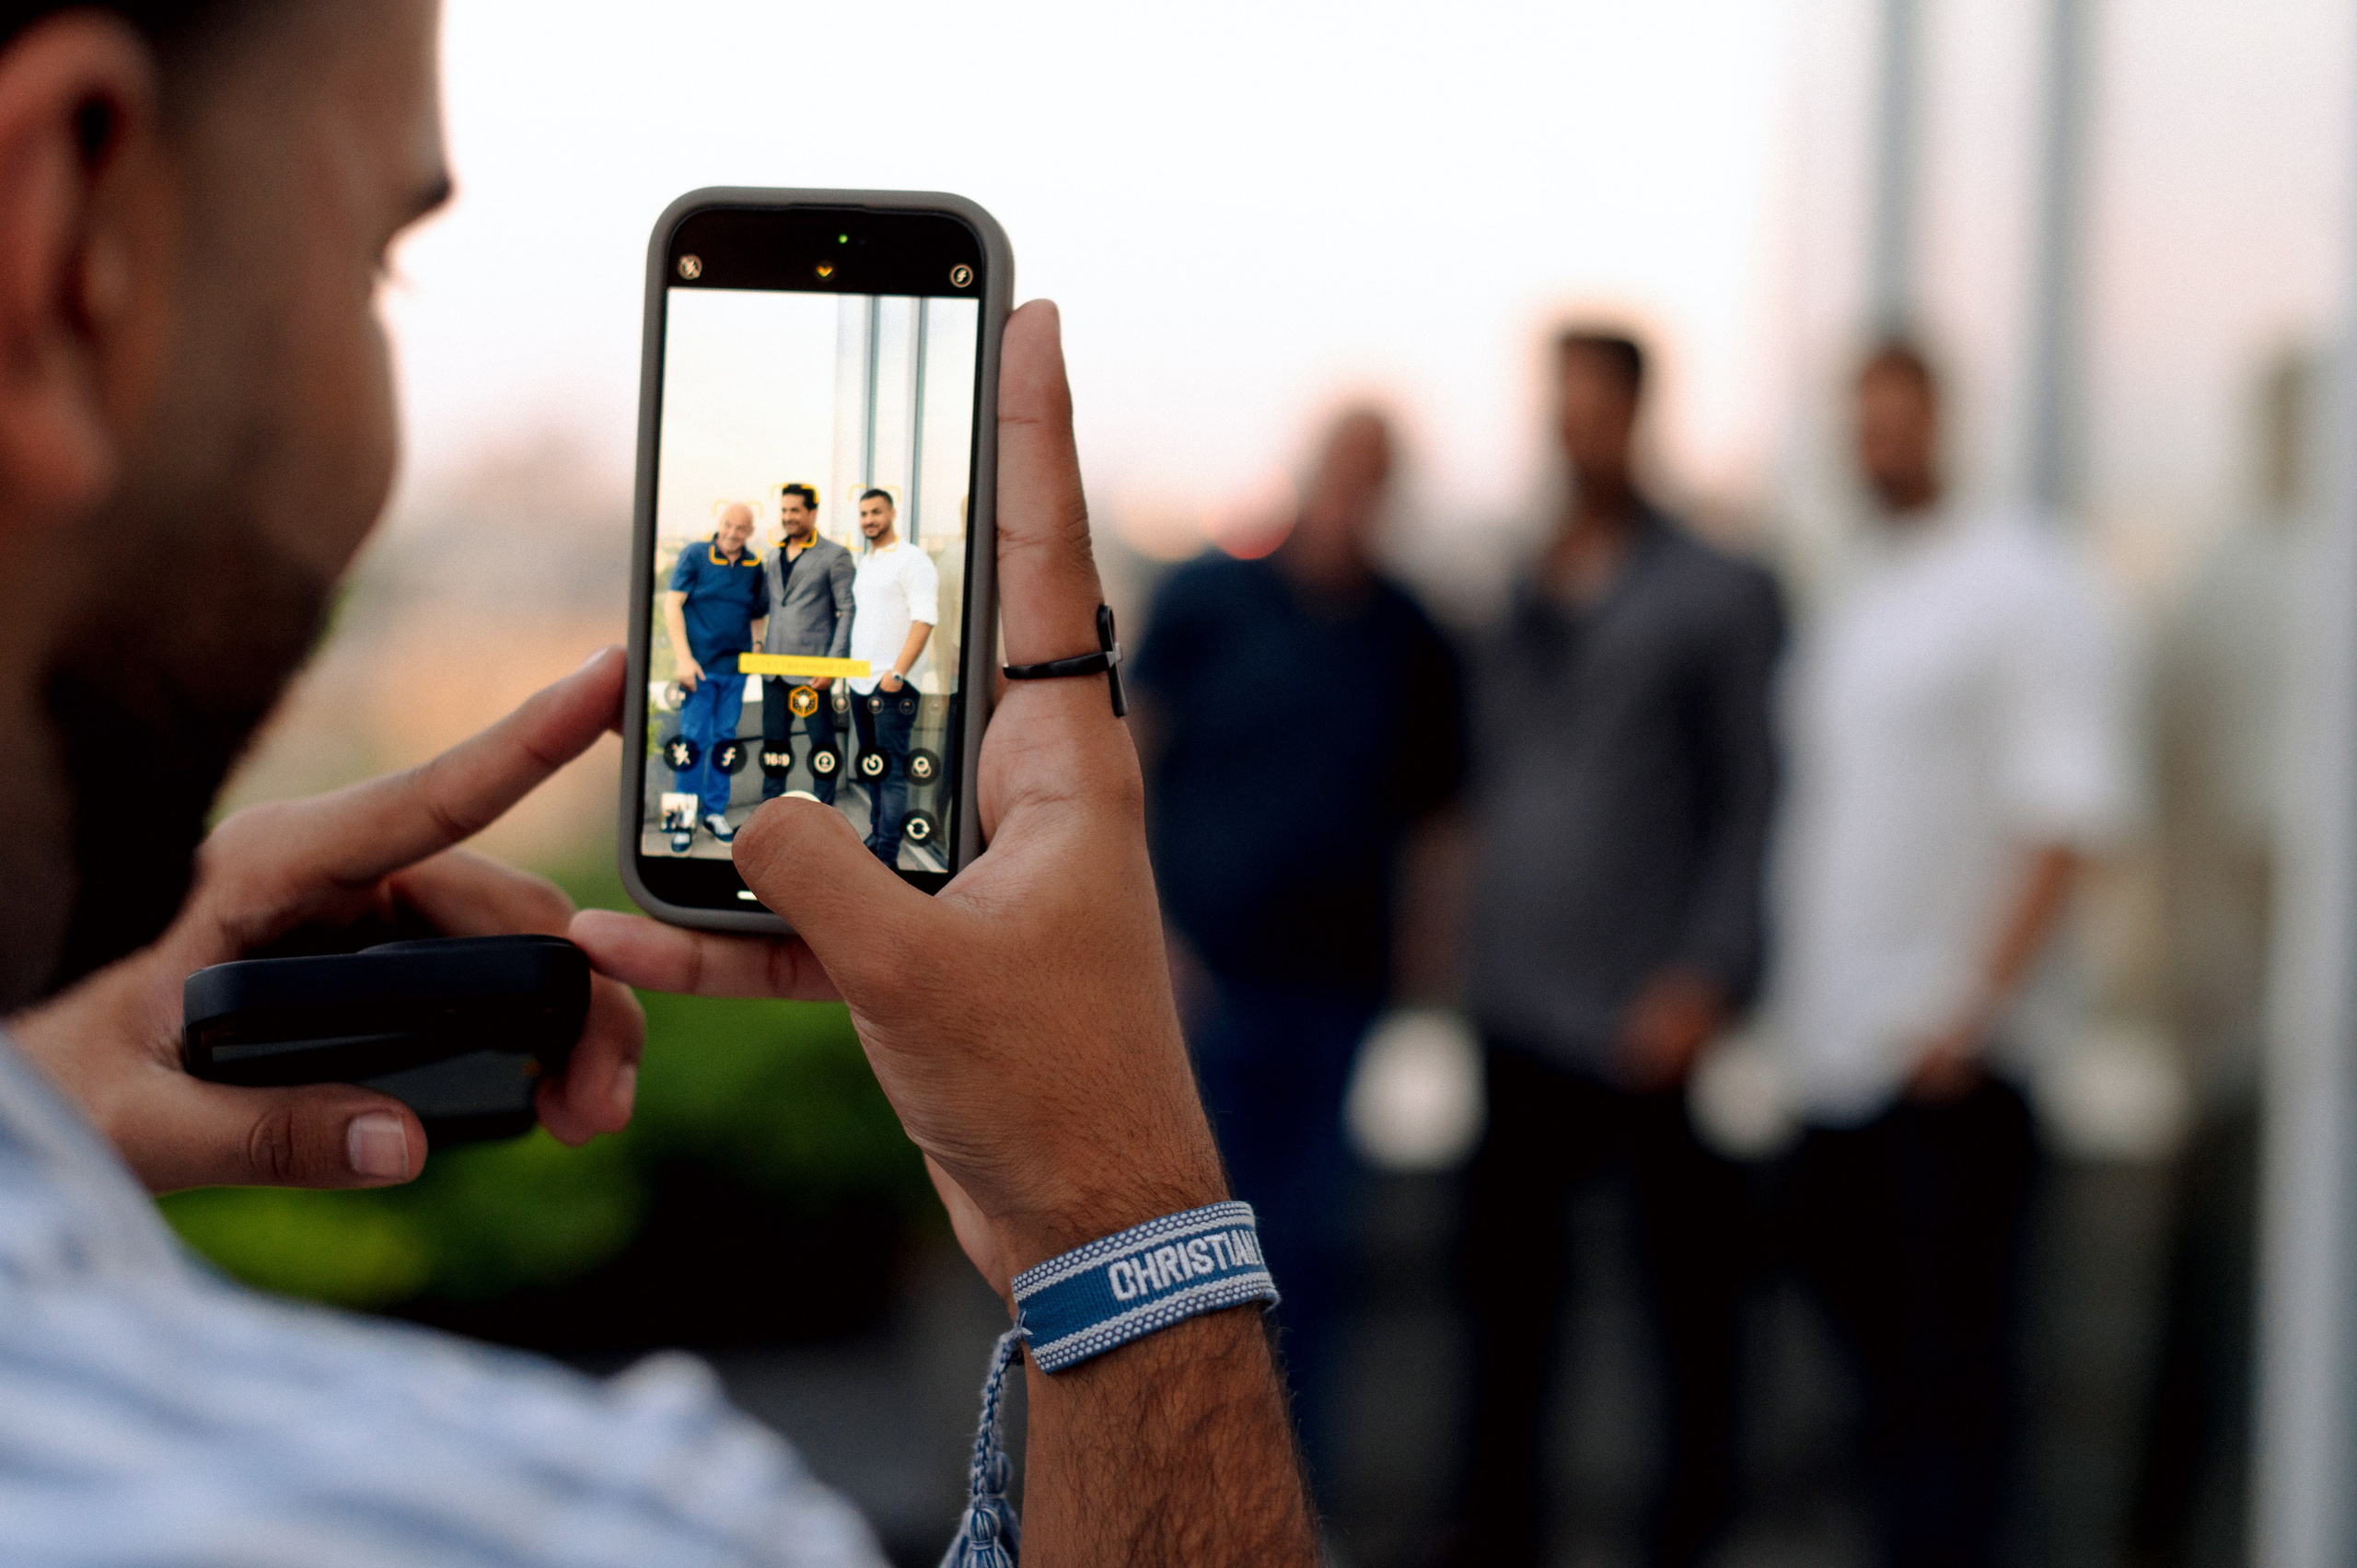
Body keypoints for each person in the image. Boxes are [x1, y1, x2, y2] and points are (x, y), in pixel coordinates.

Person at [0, 0, 1316, 1558]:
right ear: (67, 234)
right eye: (377, 258)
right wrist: (1117, 1210)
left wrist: (30, 1077)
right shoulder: (601, 1528)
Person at [1770, 342, 2132, 1568]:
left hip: (1949, 1073)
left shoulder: (2023, 580)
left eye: (1900, 423)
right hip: (1838, 1061)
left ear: (1944, 425)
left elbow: (2068, 811)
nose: (1881, 446)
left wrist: (1965, 1010)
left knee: (1953, 1410)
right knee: (1877, 1402)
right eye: (1863, 425)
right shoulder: (1863, 587)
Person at [1446, 329, 1783, 1568]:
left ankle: (1688, 1532)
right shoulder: (1520, 579)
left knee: (1682, 1310)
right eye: (1561, 405)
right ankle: (1494, 1532)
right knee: (1506, 1305)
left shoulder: (1716, 584)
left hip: (1648, 1004)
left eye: (1597, 405)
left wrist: (1708, 968)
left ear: (1638, 413)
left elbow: (1754, 792)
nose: (1575, 427)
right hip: (1517, 998)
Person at [1130, 407, 1467, 1493]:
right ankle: (1186, 1494)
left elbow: (1440, 816)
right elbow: (1122, 764)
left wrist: (1427, 952)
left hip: (1337, 991)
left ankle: (1286, 1496)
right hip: (1202, 983)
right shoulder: (1205, 599)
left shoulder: (1410, 631)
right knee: (1190, 1252)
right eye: (1342, 473)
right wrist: (1149, 938)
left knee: (1309, 1251)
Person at [662, 498, 767, 850]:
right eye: (727, 525)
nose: (732, 534)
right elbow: (671, 603)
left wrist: (757, 644)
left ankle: (714, 812)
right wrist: (683, 658)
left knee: (725, 740)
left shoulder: (754, 565)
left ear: (750, 532)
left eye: (741, 528)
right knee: (691, 742)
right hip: (699, 669)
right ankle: (681, 822)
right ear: (719, 523)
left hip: (735, 670)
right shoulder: (694, 554)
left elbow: (757, 612)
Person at [846, 487, 937, 865]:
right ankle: (875, 837)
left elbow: (925, 618)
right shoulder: (866, 560)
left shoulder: (913, 560)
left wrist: (897, 674)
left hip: (892, 685)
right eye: (864, 514)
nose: (869, 520)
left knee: (892, 774)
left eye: (876, 512)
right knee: (872, 767)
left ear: (892, 513)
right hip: (860, 682)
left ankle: (887, 857)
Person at [760, 482, 855, 805]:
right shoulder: (772, 555)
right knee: (774, 748)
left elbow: (847, 610)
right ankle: (768, 815)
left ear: (812, 513)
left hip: (813, 674)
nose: (788, 517)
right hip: (773, 672)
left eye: (795, 510)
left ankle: (823, 816)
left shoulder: (835, 555)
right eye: (784, 510)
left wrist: (832, 665)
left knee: (822, 747)